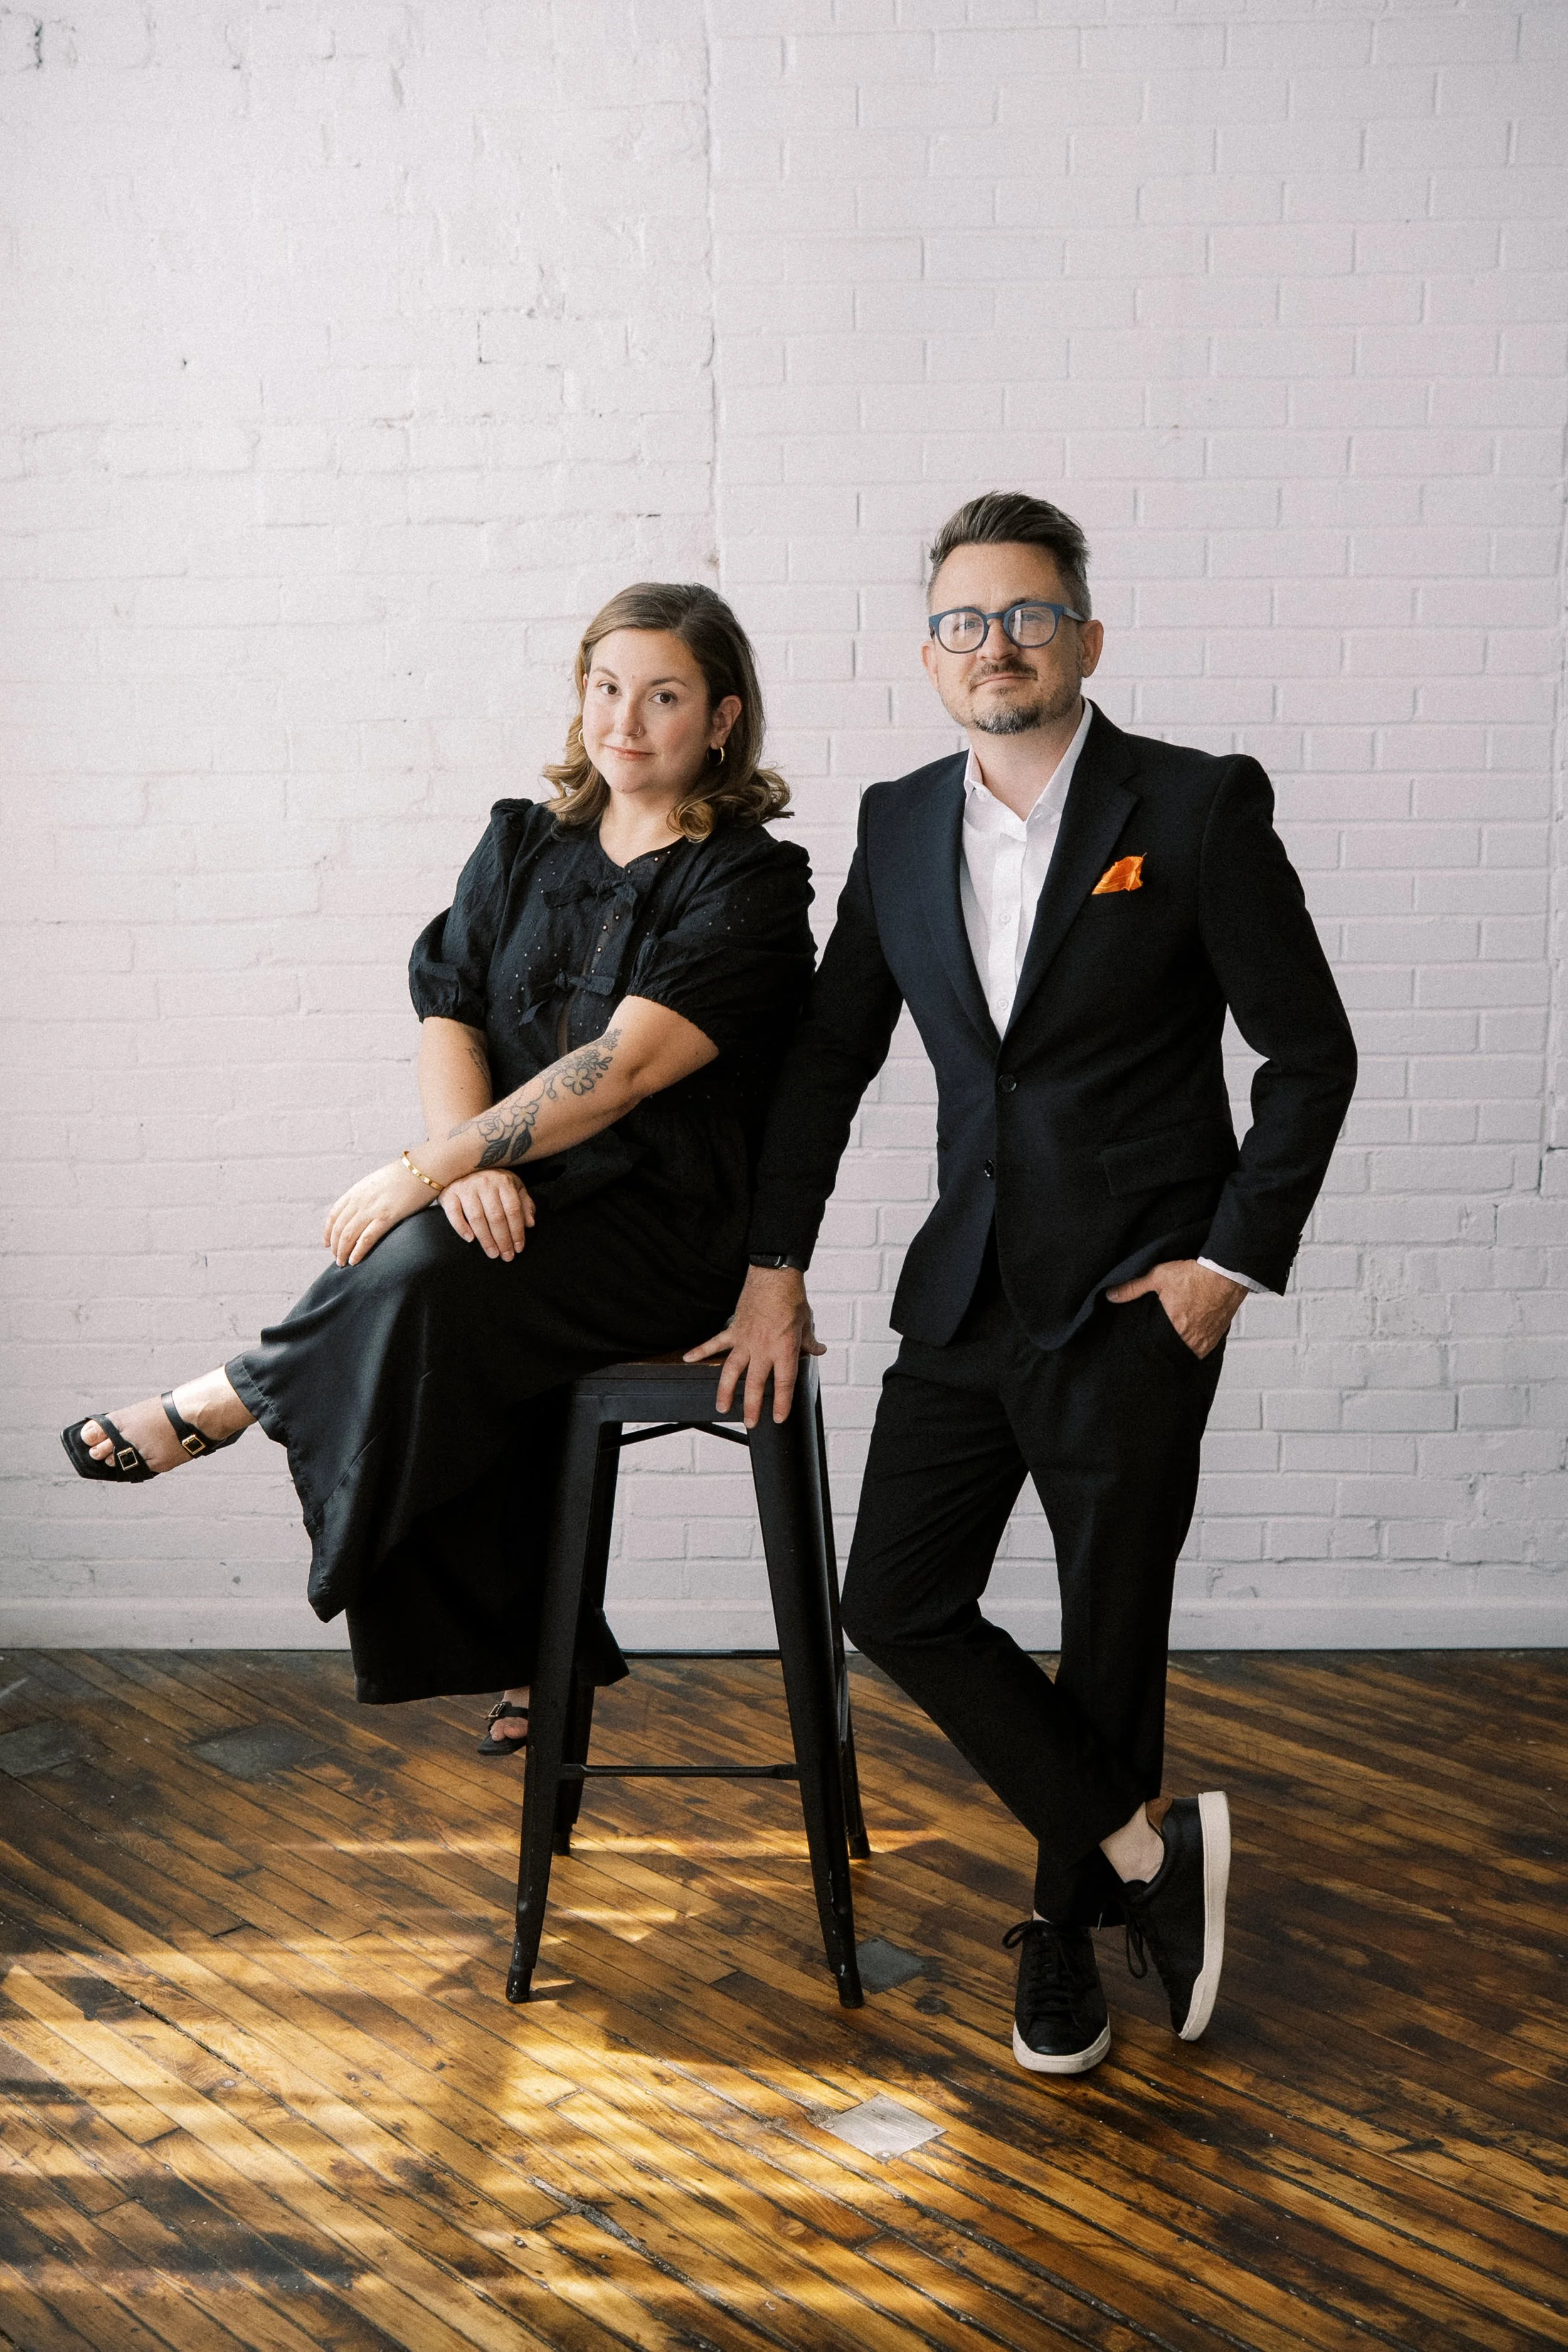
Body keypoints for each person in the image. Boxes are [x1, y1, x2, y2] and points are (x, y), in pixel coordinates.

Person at [689, 491, 1357, 2075]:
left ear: (1083, 638)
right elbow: (832, 1063)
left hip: (1137, 1296)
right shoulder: (894, 820)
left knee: (1105, 1628)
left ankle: (1062, 1941)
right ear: (930, 656)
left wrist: (1223, 1267)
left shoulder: (1190, 809)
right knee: (895, 1598)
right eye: (962, 622)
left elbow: (1306, 1055)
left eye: (1027, 615)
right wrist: (771, 1263)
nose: (996, 643)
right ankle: (1142, 1860)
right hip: (964, 1294)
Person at [63, 583, 815, 1744]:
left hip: (665, 1226)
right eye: (606, 688)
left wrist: (426, 1170)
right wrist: (464, 1168)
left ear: (720, 720)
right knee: (443, 1271)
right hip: (520, 1195)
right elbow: (451, 1010)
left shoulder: (752, 882)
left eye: (663, 696)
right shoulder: (522, 840)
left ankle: (233, 1396)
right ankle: (533, 1644)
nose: (625, 719)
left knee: (422, 1271)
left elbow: (618, 1071)